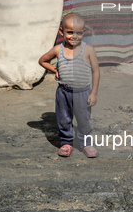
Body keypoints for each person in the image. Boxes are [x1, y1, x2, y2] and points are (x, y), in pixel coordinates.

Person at [38, 12, 100, 158]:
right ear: (62, 31)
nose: (74, 36)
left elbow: (96, 72)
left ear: (84, 32)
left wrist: (94, 93)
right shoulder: (57, 50)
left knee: (83, 119)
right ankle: (66, 143)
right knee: (64, 119)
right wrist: (55, 70)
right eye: (70, 32)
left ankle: (86, 144)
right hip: (64, 93)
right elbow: (42, 60)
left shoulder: (88, 50)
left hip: (83, 93)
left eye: (79, 33)